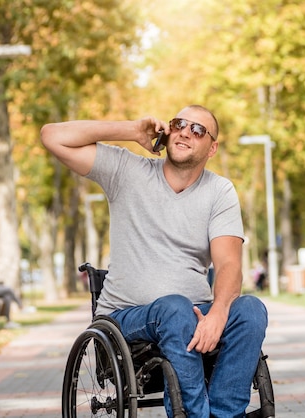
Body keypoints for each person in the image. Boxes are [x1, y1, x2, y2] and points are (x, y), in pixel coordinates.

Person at [41, 105, 268, 417]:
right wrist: (131, 131)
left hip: (195, 317)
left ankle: (225, 413)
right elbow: (52, 136)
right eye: (179, 124)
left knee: (251, 311)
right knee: (174, 308)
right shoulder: (127, 171)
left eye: (198, 129)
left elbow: (229, 264)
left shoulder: (219, 191)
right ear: (168, 131)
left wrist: (218, 313)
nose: (186, 131)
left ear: (212, 147)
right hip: (126, 321)